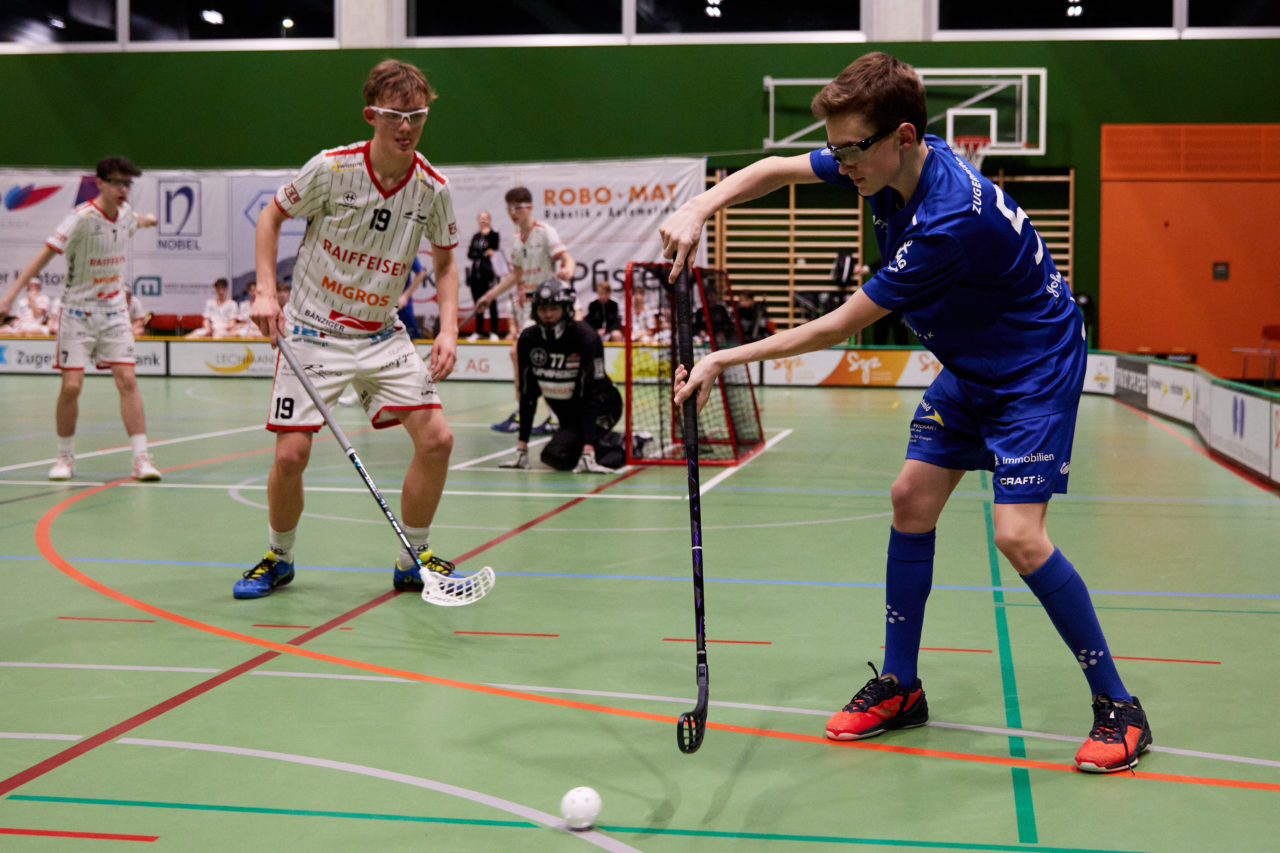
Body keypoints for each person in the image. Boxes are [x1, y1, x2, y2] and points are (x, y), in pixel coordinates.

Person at [664, 51, 1151, 774]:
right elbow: (772, 171)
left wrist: (718, 360)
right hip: (975, 359)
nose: (839, 164)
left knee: (1018, 535)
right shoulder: (888, 161)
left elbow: (834, 328)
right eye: (834, 148)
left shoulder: (947, 221)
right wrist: (701, 204)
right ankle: (900, 684)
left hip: (1031, 369)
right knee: (910, 497)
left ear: (901, 136)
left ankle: (1119, 704)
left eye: (849, 150)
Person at [236, 59, 460, 600]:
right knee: (290, 456)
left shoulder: (432, 188)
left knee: (438, 440)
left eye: (417, 116)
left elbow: (447, 263)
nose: (407, 128)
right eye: (395, 116)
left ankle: (414, 557)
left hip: (382, 334)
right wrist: (267, 291)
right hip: (313, 332)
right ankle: (279, 556)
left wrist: (448, 329)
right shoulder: (331, 170)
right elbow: (271, 217)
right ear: (371, 115)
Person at [0, 156, 161, 481]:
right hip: (76, 313)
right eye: (117, 182)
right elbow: (39, 260)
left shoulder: (126, 215)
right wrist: (9, 296)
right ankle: (65, 457)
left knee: (127, 380)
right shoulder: (80, 219)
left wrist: (148, 219)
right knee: (71, 387)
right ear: (99, 183)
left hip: (114, 313)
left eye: (127, 184)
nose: (123, 189)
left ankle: (141, 459)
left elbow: (136, 220)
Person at [499, 281, 643, 473]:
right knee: (554, 457)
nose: (547, 315)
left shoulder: (586, 337)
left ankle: (629, 443)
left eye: (553, 308)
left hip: (603, 406)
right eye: (542, 309)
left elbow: (593, 392)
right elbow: (528, 394)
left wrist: (589, 450)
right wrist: (522, 447)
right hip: (568, 412)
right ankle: (606, 439)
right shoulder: (528, 339)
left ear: (565, 309)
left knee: (566, 456)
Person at [474, 187, 576, 435]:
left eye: (517, 208)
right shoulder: (518, 238)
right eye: (509, 209)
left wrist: (569, 270)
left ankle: (537, 415)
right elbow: (516, 275)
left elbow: (567, 258)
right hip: (529, 309)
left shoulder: (545, 232)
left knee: (517, 353)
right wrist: (489, 296)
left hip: (549, 309)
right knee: (526, 358)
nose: (513, 213)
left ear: (528, 207)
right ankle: (539, 415)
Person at [465, 210, 501, 341]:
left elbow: (493, 250)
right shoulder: (476, 237)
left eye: (486, 218)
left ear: (489, 220)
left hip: (489, 275)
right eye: (481, 218)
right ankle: (478, 331)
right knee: (478, 303)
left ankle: (494, 332)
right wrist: (482, 254)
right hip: (476, 276)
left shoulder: (494, 235)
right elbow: (470, 254)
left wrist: (482, 254)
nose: (483, 220)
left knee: (492, 303)